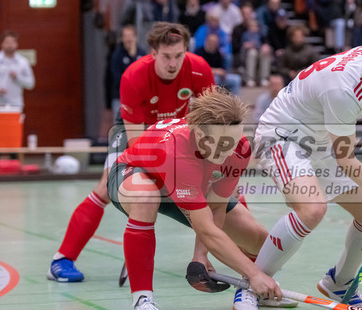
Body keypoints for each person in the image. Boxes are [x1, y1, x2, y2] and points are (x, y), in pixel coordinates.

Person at [232, 30, 362, 310]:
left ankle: (339, 283)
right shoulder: (345, 90)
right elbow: (347, 160)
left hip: (321, 139)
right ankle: (251, 284)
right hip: (283, 135)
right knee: (312, 208)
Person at [47, 22, 245, 287]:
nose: (173, 63)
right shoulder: (134, 76)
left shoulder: (199, 68)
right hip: (139, 132)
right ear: (153, 53)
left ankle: (245, 254)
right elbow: (138, 145)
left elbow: (211, 119)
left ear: (187, 50)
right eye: (166, 57)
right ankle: (62, 259)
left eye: (179, 55)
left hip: (177, 131)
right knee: (107, 186)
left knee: (225, 185)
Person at [107, 88, 283, 310]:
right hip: (135, 172)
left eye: (233, 142)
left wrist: (200, 256)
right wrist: (253, 272)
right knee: (146, 198)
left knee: (258, 239)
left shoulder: (238, 149)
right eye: (221, 144)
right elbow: (207, 229)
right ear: (199, 134)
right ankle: (142, 305)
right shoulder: (178, 152)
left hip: (189, 183)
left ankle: (249, 290)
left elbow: (217, 206)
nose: (229, 150)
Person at [109, 25, 146, 120]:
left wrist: (133, 55)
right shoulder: (117, 55)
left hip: (140, 98)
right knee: (120, 124)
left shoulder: (142, 53)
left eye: (131, 36)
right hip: (120, 98)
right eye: (126, 36)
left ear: (136, 37)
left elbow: (145, 76)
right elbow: (118, 77)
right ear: (122, 38)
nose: (129, 39)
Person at [0, 31, 35, 111]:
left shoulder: (23, 62)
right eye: (7, 42)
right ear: (2, 44)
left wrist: (18, 78)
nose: (10, 45)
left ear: (16, 44)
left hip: (15, 104)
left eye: (12, 42)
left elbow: (31, 83)